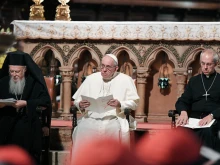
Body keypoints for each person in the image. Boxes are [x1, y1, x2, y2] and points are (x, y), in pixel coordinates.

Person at [71, 54, 139, 157]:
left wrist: (120, 104)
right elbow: (77, 100)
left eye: (108, 67)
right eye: (102, 66)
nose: (104, 70)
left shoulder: (126, 80)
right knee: (81, 129)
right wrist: (80, 104)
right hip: (91, 118)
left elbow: (134, 103)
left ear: (116, 68)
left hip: (113, 120)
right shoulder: (91, 79)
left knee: (113, 132)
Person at [0, 51, 52, 164]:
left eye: (17, 72)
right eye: (11, 71)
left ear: (25, 70)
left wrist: (26, 103)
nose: (14, 74)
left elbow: (45, 101)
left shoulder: (34, 83)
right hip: (6, 122)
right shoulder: (2, 82)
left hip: (28, 123)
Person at [175, 49, 220, 150]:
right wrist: (183, 112)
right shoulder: (194, 81)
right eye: (203, 63)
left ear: (216, 64)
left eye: (209, 64)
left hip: (214, 120)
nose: (205, 67)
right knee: (181, 130)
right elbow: (182, 100)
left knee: (207, 132)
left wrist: (212, 116)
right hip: (193, 120)